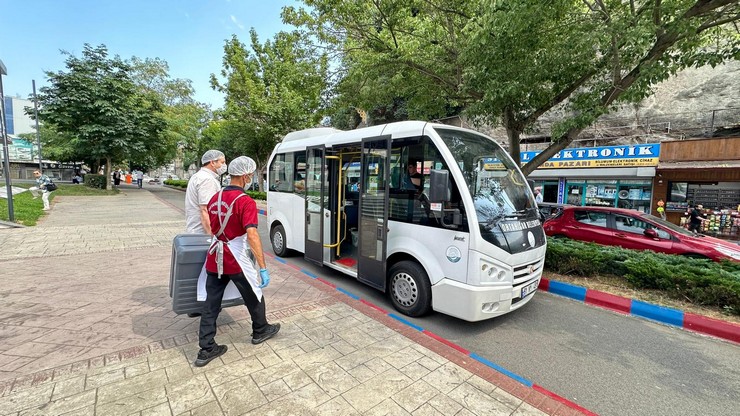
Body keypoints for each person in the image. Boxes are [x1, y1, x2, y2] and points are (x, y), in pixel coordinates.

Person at [194, 156, 280, 367]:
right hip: (235, 256)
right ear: (245, 176)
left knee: (211, 303)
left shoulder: (215, 197)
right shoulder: (245, 201)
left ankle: (206, 349)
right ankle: (260, 330)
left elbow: (212, 225)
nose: (251, 177)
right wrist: (262, 267)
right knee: (255, 293)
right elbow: (252, 235)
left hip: (215, 256)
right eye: (250, 174)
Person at [185, 150, 226, 235]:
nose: (224, 166)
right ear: (212, 163)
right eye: (222, 162)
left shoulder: (198, 176)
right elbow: (205, 210)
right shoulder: (207, 179)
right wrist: (211, 236)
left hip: (195, 231)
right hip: (202, 233)